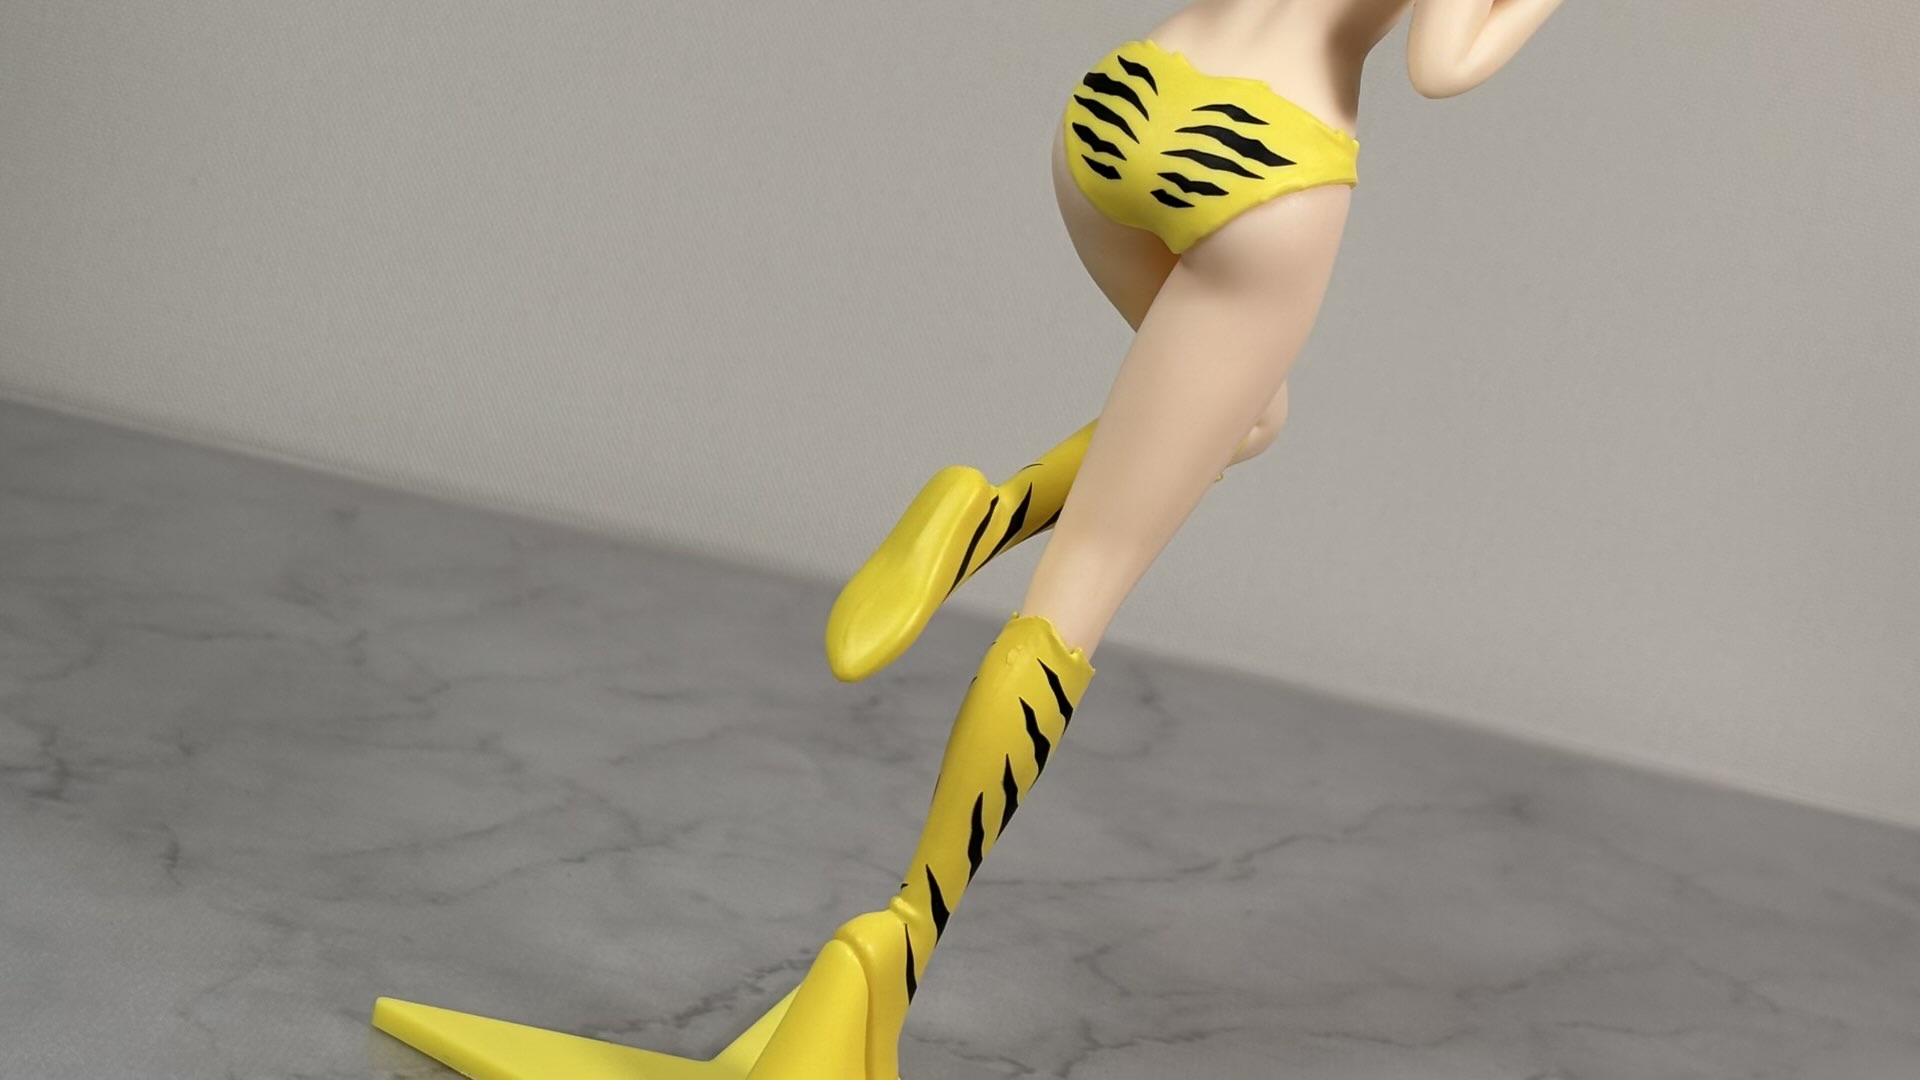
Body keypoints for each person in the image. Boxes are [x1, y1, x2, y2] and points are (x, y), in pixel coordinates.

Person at [754, 2, 1565, 1075]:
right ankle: (896, 938)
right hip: (1264, 163)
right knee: (1081, 581)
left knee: (1246, 416)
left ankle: (983, 516)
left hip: (1123, 105)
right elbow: (1443, 63)